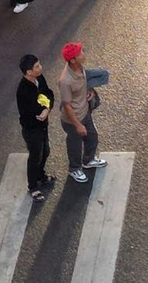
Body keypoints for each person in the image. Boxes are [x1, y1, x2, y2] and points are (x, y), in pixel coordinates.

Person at [57, 43, 107, 182]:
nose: (83, 54)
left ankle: (88, 160)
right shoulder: (65, 81)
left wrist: (89, 90)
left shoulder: (79, 67)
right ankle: (74, 169)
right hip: (73, 120)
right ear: (73, 60)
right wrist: (78, 125)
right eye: (80, 53)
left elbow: (85, 81)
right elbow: (66, 106)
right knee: (75, 146)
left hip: (85, 112)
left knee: (92, 136)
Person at [16, 55, 55, 201]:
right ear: (28, 72)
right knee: (35, 156)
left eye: (39, 64)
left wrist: (48, 108)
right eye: (37, 66)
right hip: (32, 129)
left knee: (45, 151)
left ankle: (40, 175)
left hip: (42, 125)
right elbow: (30, 110)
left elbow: (49, 93)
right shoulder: (23, 90)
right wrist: (43, 110)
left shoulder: (40, 79)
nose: (40, 68)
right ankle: (33, 186)